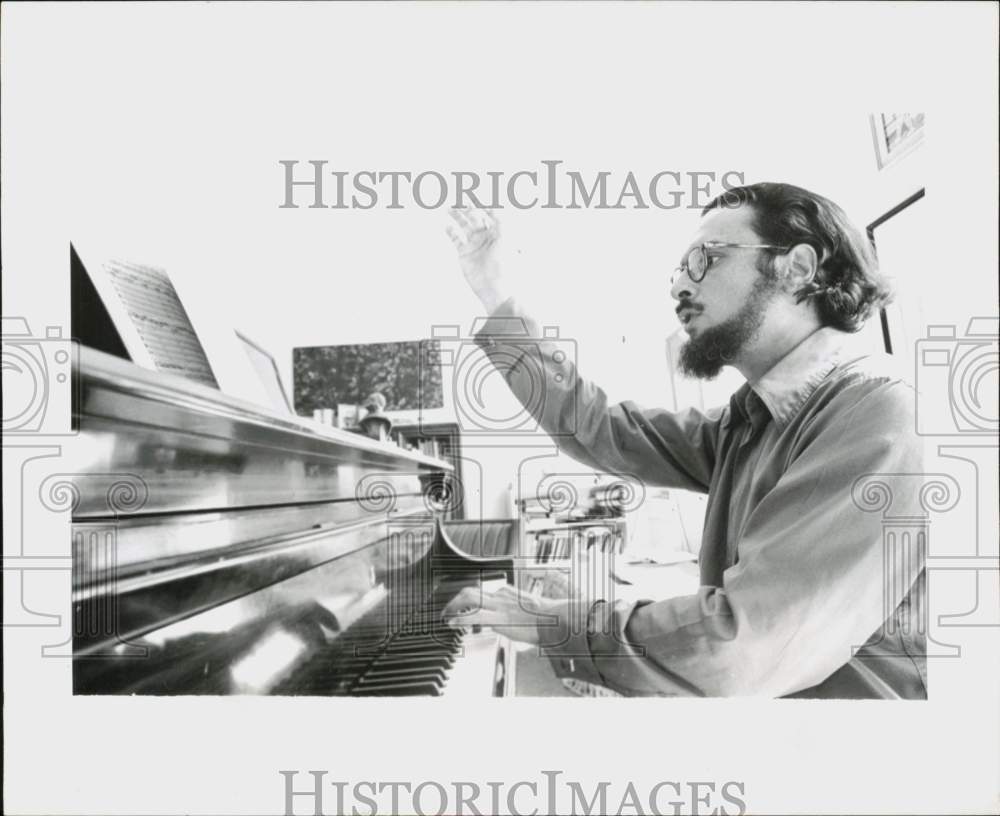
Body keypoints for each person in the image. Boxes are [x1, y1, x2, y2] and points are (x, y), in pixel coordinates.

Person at [442, 182, 928, 699]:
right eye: (680, 270)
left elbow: (739, 649)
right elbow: (598, 427)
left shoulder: (877, 413)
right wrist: (495, 290)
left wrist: (555, 621)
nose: (679, 288)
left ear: (798, 268)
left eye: (706, 259)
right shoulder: (746, 423)